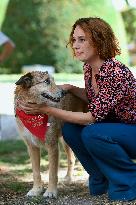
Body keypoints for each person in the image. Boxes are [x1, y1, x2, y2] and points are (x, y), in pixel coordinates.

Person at [19, 17, 136, 201]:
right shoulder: (90, 69)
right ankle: (100, 177)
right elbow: (99, 100)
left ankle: (128, 181)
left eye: (82, 39)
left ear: (99, 40)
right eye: (74, 40)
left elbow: (91, 117)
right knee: (70, 130)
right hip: (115, 129)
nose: (75, 45)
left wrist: (47, 110)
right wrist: (73, 89)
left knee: (92, 132)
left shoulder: (115, 72)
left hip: (131, 131)